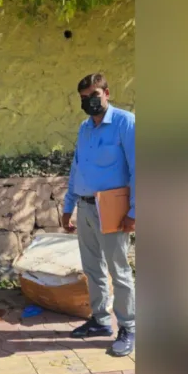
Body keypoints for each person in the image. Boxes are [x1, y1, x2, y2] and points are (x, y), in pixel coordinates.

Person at [61, 73, 136, 357]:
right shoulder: (85, 128)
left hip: (113, 207)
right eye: (83, 98)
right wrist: (69, 205)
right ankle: (100, 320)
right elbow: (77, 167)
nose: (89, 102)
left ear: (107, 93)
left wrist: (135, 211)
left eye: (93, 95)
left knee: (119, 270)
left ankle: (128, 327)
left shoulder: (125, 123)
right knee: (92, 267)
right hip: (85, 205)